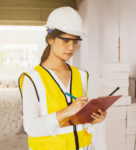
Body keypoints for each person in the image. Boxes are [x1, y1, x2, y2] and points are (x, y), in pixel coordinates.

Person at [18, 6, 107, 150]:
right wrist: (66, 111)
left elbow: (76, 123)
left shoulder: (81, 75)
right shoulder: (32, 79)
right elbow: (31, 128)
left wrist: (92, 120)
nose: (71, 47)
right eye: (65, 40)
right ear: (50, 39)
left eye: (75, 42)